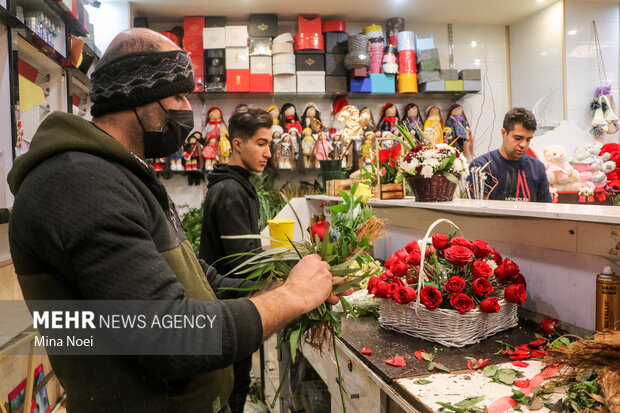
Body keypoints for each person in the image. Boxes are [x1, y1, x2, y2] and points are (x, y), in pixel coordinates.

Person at [7, 28, 349, 413]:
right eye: (180, 95)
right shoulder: (78, 184)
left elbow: (204, 281)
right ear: (140, 96)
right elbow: (171, 335)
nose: (189, 110)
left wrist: (283, 284)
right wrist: (291, 298)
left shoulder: (125, 176)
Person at [199, 107, 271, 412]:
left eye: (270, 143)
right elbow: (244, 262)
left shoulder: (237, 184)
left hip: (231, 306)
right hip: (229, 309)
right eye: (261, 143)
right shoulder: (230, 190)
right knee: (234, 388)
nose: (268, 152)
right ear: (238, 144)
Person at [467, 107, 552, 202]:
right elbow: (479, 212)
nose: (523, 145)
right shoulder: (481, 167)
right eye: (518, 138)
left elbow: (546, 210)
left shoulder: (537, 168)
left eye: (528, 140)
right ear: (504, 133)